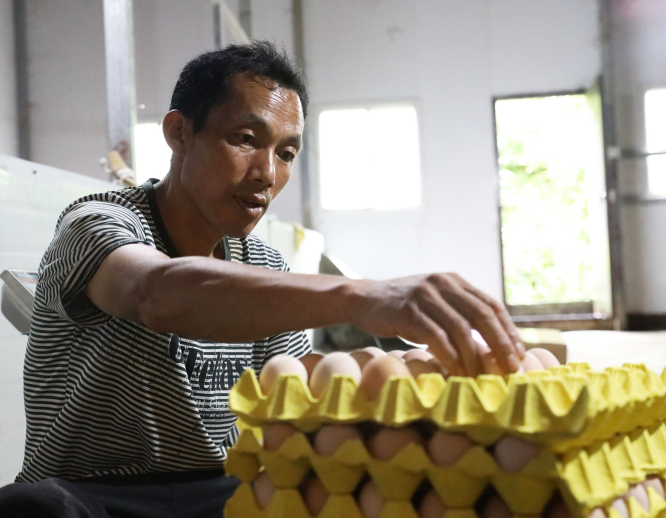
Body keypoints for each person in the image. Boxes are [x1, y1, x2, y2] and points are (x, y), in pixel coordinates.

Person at [0, 41, 524, 517]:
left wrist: (413, 384)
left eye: (286, 153)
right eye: (246, 139)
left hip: (221, 495)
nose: (267, 173)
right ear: (178, 132)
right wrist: (361, 297)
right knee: (34, 509)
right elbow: (155, 293)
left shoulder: (264, 264)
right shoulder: (97, 224)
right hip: (93, 497)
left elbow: (292, 392)